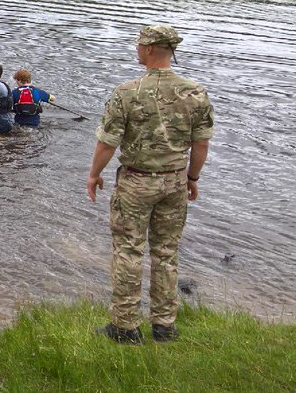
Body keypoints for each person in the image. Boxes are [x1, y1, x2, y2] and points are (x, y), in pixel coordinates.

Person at [87, 25, 214, 345]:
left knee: (129, 251)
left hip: (136, 182)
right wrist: (192, 178)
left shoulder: (128, 92)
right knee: (166, 252)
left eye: (139, 45)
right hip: (174, 182)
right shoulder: (195, 92)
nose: (136, 49)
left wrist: (94, 174)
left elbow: (107, 143)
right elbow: (201, 145)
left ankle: (126, 327)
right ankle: (164, 325)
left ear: (148, 49)